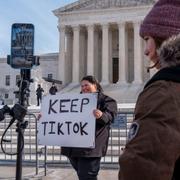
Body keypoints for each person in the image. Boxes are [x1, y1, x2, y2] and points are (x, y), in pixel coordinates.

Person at [119, 0, 180, 180]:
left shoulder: (164, 91)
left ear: (165, 39)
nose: (146, 51)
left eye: (147, 40)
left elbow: (141, 167)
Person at [61, 75, 117, 180]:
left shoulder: (106, 100)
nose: (84, 88)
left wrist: (101, 116)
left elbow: (110, 116)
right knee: (83, 175)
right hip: (73, 147)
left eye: (86, 85)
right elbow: (61, 116)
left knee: (87, 176)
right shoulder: (74, 101)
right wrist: (45, 117)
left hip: (91, 147)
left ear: (95, 85)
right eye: (82, 86)